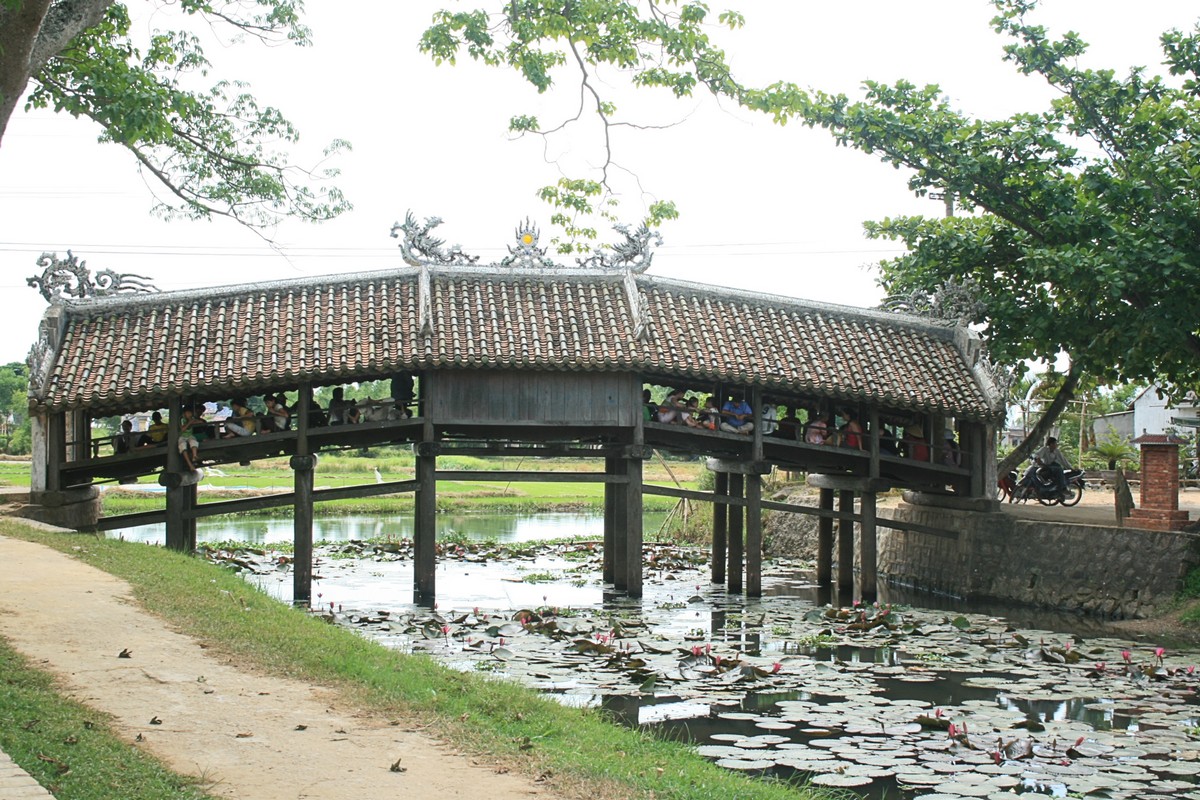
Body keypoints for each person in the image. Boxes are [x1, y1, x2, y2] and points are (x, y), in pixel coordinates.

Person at [177, 406, 202, 471]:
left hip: (190, 435)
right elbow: (183, 429)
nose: (190, 414)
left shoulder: (192, 418)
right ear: (184, 413)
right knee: (183, 446)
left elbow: (200, 422)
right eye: (188, 413)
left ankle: (194, 456)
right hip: (182, 436)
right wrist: (190, 422)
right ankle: (190, 464)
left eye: (190, 413)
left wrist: (194, 421)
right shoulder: (182, 419)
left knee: (193, 442)